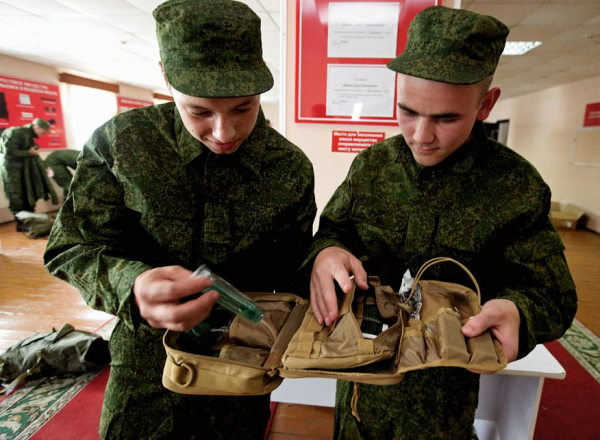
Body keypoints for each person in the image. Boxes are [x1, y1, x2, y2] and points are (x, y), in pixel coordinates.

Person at [44, 1, 316, 438]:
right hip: (145, 371)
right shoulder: (121, 145)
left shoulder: (289, 168)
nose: (224, 133)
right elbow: (70, 247)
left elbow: (294, 273)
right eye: (200, 112)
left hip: (240, 370)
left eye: (243, 109)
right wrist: (131, 283)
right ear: (167, 78)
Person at [305, 6, 577, 439]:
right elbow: (335, 233)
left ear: (486, 104)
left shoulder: (515, 187)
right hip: (359, 389)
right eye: (408, 111)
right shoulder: (374, 167)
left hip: (441, 407)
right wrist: (326, 253)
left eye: (446, 118)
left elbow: (551, 293)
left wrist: (518, 311)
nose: (420, 135)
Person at [1, 118, 55, 231]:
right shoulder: (15, 132)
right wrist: (28, 152)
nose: (43, 134)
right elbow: (8, 151)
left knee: (29, 193)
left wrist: (33, 149)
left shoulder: (28, 135)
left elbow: (31, 147)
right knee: (16, 196)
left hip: (24, 170)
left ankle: (30, 221)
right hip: (12, 170)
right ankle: (21, 223)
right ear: (36, 127)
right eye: (43, 131)